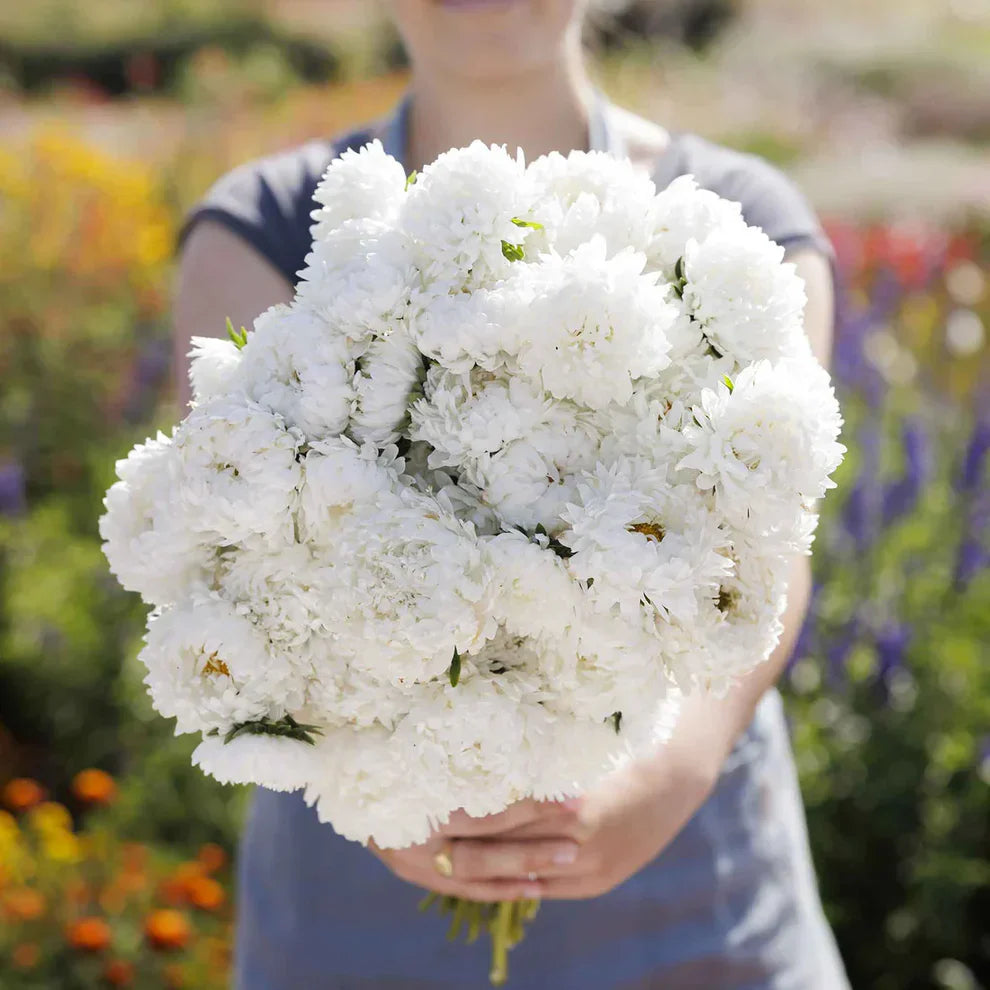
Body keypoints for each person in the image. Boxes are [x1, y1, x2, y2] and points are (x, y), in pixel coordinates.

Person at [174, 2, 849, 987]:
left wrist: (668, 773)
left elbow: (769, 550)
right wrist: (383, 789)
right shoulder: (267, 224)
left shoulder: (741, 217)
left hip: (687, 876)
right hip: (358, 900)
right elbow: (228, 548)